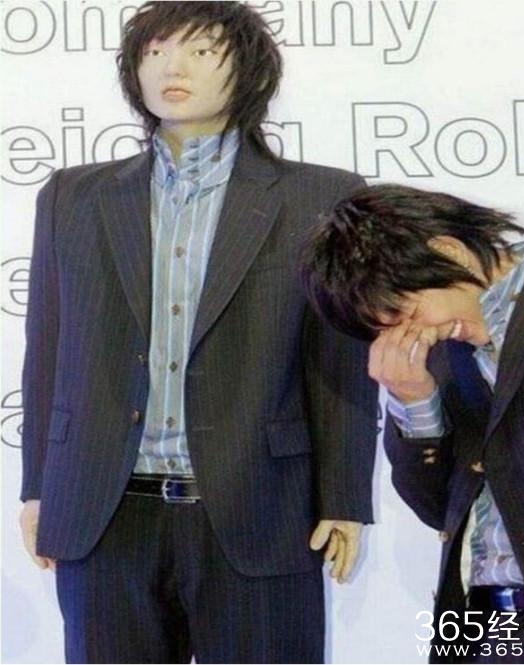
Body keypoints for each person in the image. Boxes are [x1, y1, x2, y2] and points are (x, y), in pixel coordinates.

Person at [19, 2, 377, 663]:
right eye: (154, 53)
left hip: (260, 508)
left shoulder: (320, 197)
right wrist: (40, 484)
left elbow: (339, 357)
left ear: (250, 71)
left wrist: (345, 496)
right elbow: (47, 349)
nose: (172, 67)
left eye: (201, 51)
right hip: (105, 512)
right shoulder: (75, 196)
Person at [300, 183, 524, 663]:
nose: (412, 335)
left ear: (449, 252)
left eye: (407, 313)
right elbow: (438, 509)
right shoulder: (441, 353)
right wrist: (414, 401)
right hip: (478, 624)